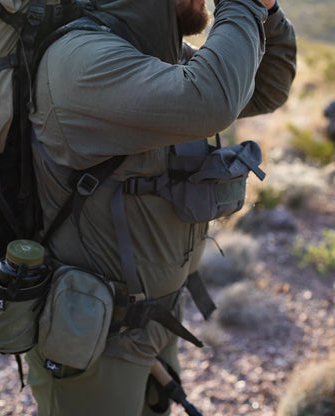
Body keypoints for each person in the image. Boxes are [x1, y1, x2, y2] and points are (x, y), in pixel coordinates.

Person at [27, 0, 296, 414]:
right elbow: (212, 101)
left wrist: (268, 12)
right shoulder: (83, 61)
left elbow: (268, 85)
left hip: (155, 318)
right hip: (92, 335)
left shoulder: (147, 57)